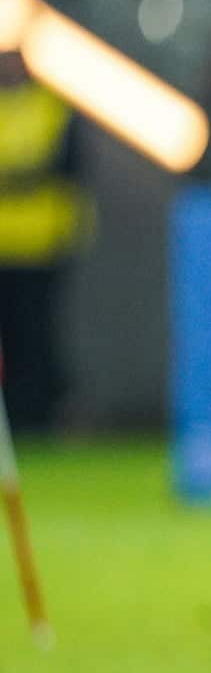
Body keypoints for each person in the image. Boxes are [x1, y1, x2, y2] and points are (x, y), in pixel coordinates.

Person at [0, 49, 89, 430]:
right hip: (4, 245)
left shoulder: (52, 107)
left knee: (37, 336)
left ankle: (37, 415)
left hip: (42, 244)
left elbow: (68, 167)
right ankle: (13, 417)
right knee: (10, 338)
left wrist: (18, 177)